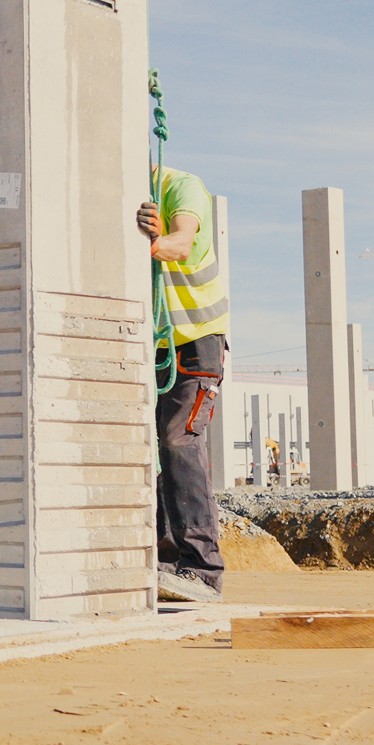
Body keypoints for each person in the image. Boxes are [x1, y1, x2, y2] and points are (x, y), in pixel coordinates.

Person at [137, 166, 229, 603]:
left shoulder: (182, 187)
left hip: (195, 339)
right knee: (149, 448)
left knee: (178, 440)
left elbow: (182, 241)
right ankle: (167, 562)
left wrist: (156, 244)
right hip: (154, 342)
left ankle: (202, 569)